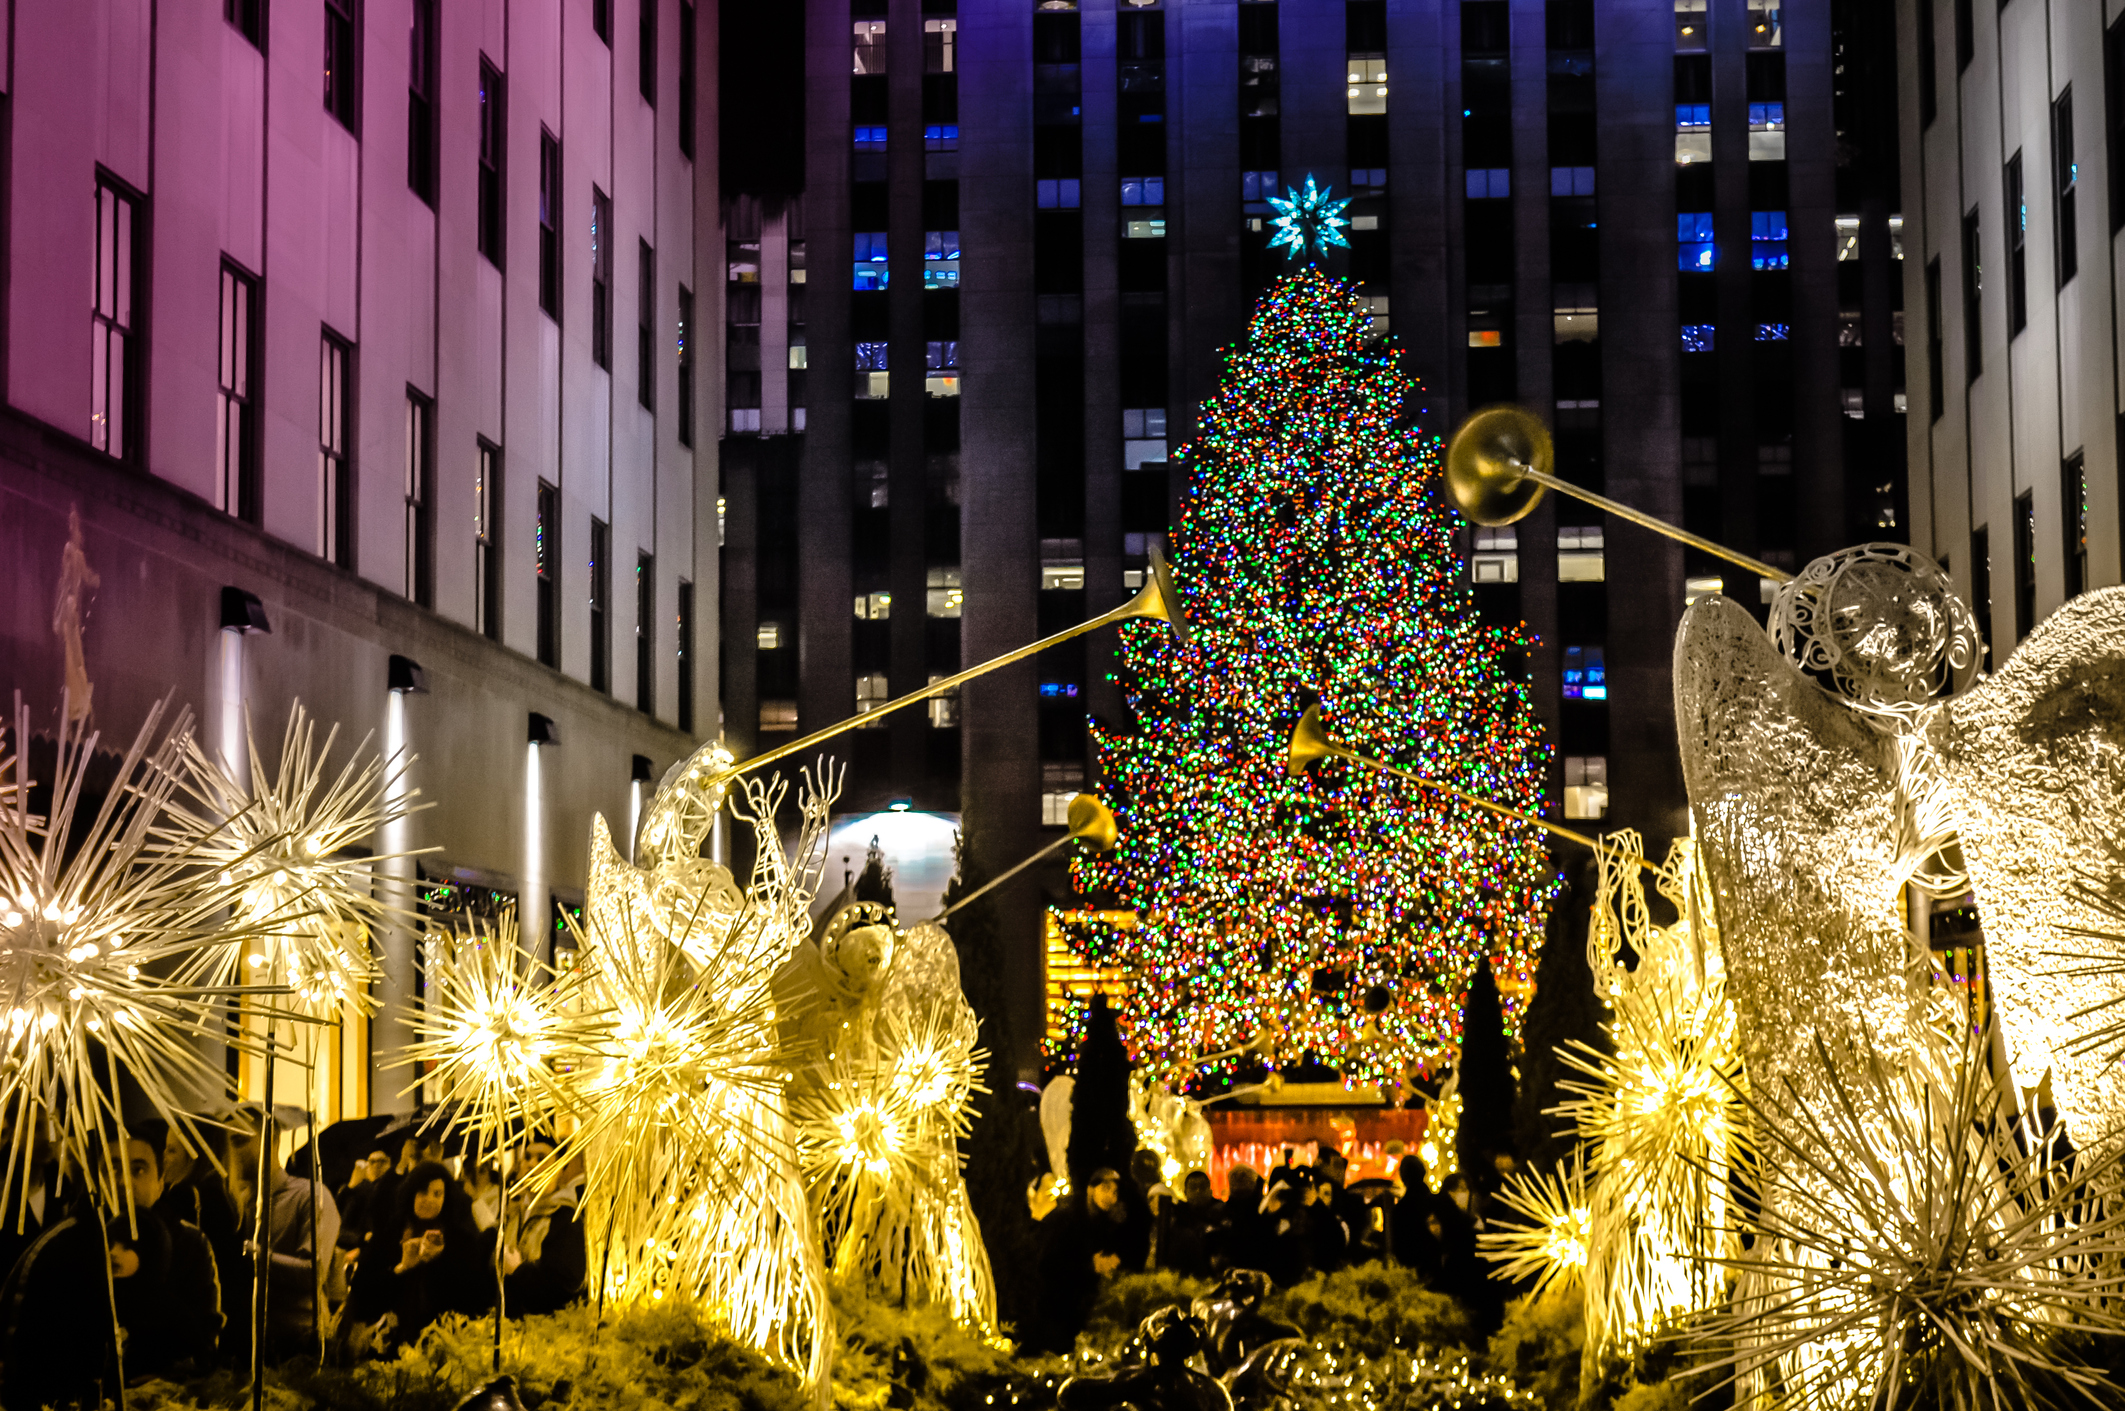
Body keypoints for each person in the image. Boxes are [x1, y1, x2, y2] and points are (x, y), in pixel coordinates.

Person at [0, 1130, 221, 1408]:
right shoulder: (65, 1244)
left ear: (160, 1181)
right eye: (111, 1169)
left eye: (138, 1170)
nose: (122, 1181)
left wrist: (173, 1378)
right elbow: (25, 1341)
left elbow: (205, 1338)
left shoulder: (189, 1245)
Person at [228, 1104, 341, 1364]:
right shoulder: (239, 1202)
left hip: (300, 1345)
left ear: (272, 1140)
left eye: (240, 1141)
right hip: (249, 1344)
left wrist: (254, 1255)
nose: (232, 1153)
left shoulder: (310, 1196)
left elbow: (313, 1272)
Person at [342, 1159, 493, 1352]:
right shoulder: (389, 1235)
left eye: (437, 1194)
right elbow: (362, 1295)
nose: (429, 1199)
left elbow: (474, 1298)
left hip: (444, 1349)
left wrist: (440, 1260)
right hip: (387, 1349)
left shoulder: (460, 1239)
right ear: (411, 1193)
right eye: (422, 1192)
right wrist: (401, 1268)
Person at [1030, 1167, 1133, 1355]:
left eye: (1115, 1191)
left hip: (1086, 1311)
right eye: (1105, 1188)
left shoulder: (1107, 1222)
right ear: (1090, 1188)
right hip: (1058, 1309)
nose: (1110, 1195)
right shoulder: (1066, 1219)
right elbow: (1048, 1264)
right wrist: (1090, 1266)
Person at [503, 1138, 586, 1315]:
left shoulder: (565, 1219)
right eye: (527, 1157)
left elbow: (562, 1289)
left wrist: (519, 1271)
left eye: (541, 1159)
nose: (531, 1164)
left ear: (559, 1169)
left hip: (545, 1333)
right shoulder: (513, 1212)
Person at [1159, 1170, 1223, 1278]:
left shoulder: (1222, 1213)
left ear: (1210, 1190)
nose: (1198, 1191)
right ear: (1185, 1192)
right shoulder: (1178, 1215)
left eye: (1202, 1187)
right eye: (1193, 1188)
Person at [1390, 1155, 1441, 1278]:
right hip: (1435, 1268)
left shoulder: (1400, 1209)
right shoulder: (1437, 1202)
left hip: (1409, 1271)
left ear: (1403, 1176)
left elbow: (1397, 1245)